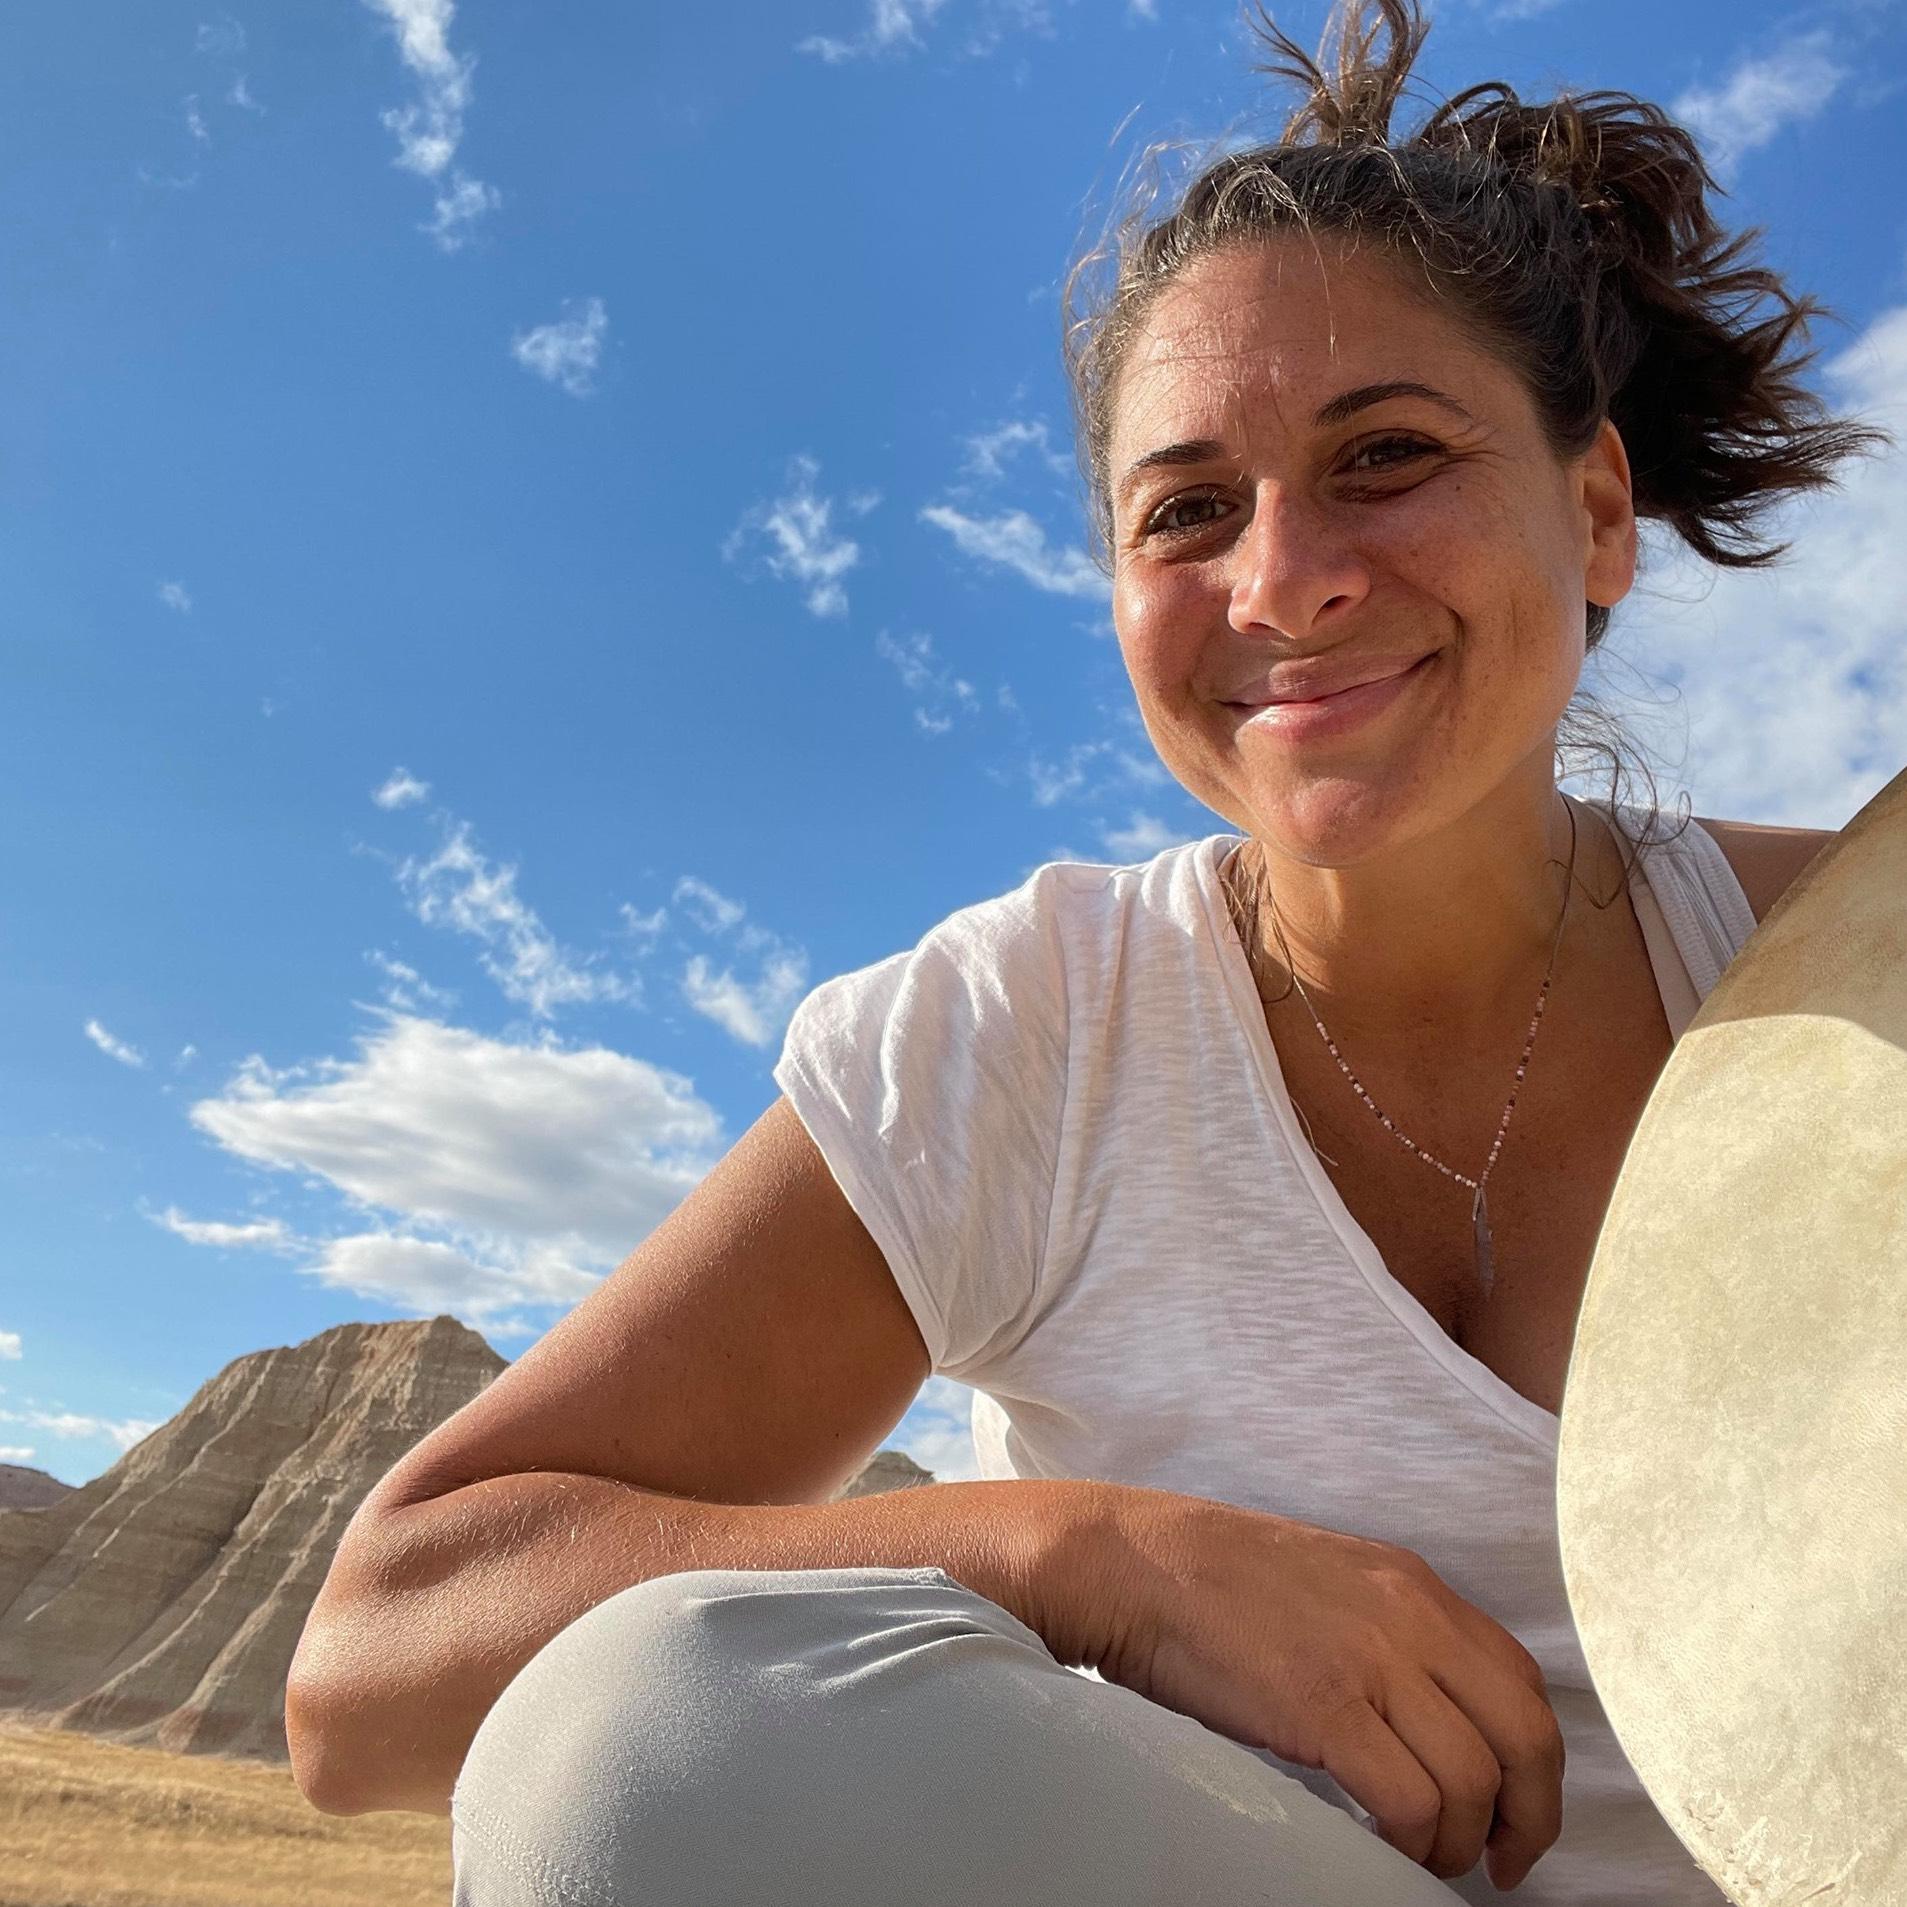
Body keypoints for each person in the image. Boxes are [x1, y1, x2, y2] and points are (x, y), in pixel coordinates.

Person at [285, 3, 1885, 1902]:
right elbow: (372, 1665)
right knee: (644, 1734)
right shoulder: (1029, 1035)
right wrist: (1096, 1562)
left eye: (1386, 454)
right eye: (1187, 510)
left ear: (1598, 514)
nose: (1281, 579)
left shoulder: (1852, 967)